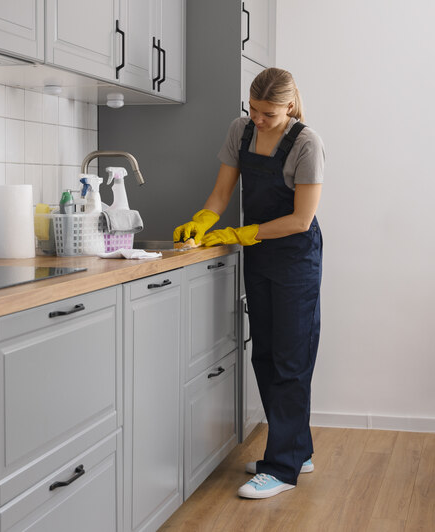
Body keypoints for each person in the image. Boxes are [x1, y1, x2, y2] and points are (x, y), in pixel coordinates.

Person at [174, 67, 325, 499]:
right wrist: (203, 221)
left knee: (291, 361)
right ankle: (297, 449)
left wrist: (242, 234)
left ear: (290, 106)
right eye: (253, 109)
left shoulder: (307, 143)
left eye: (269, 114)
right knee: (265, 356)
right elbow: (222, 194)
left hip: (295, 258)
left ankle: (281, 468)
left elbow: (301, 219)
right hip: (259, 256)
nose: (258, 120)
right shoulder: (240, 131)